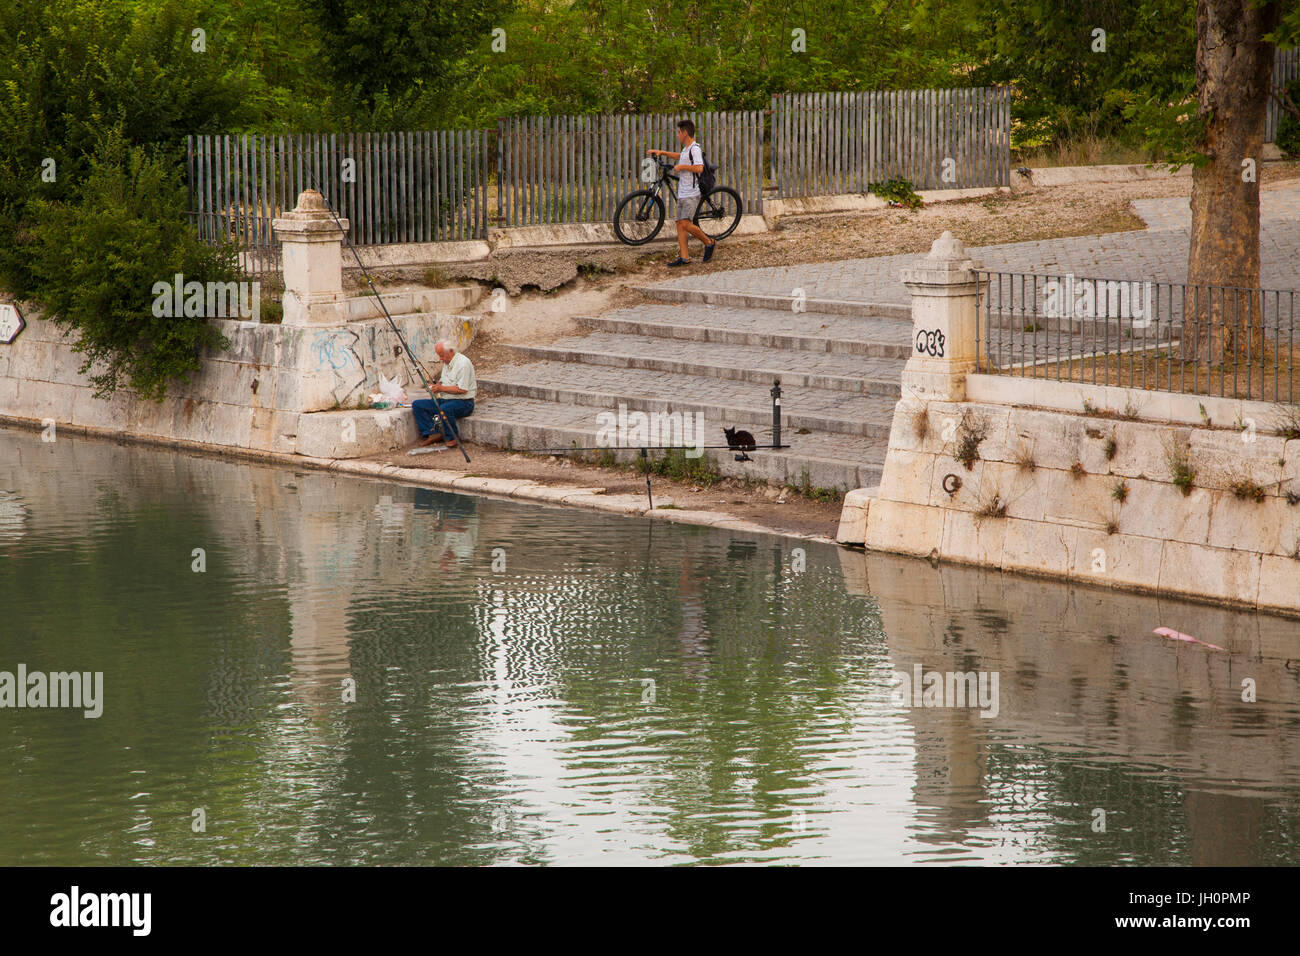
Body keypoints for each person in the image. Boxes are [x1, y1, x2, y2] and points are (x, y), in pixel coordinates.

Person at [647, 119, 717, 268]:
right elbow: (679, 156)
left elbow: (699, 168)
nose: (677, 135)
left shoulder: (695, 149)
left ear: (685, 133)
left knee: (685, 223)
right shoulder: (686, 149)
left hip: (692, 192)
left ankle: (709, 242)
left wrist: (682, 167)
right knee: (679, 224)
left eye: (678, 132)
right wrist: (663, 152)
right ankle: (685, 258)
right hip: (683, 192)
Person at [412, 340, 476, 448]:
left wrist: (441, 388)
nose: (440, 359)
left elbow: (462, 389)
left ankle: (452, 437)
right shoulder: (447, 362)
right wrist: (435, 387)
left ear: (451, 351)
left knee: (446, 408)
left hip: (464, 403)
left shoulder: (463, 364)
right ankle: (433, 433)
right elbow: (443, 381)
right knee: (418, 405)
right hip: (446, 399)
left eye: (442, 356)